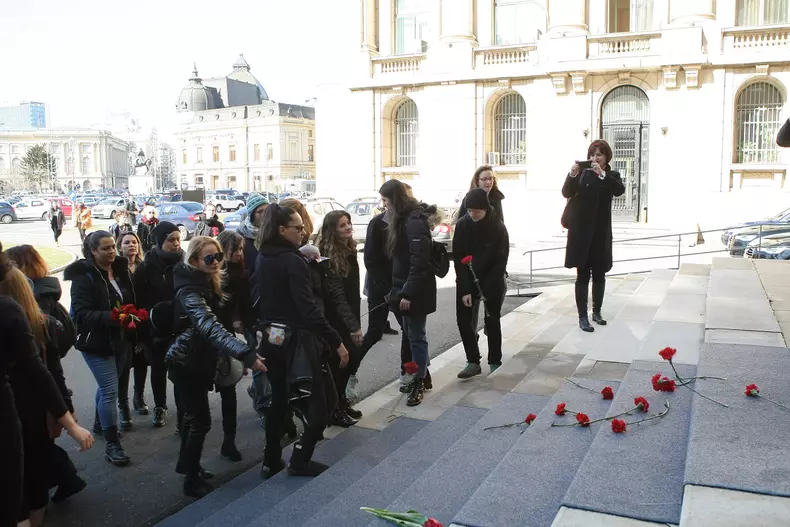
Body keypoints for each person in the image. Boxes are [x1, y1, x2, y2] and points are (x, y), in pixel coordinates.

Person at [166, 236, 266, 497]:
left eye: (219, 256)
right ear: (195, 260)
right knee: (199, 421)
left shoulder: (208, 281)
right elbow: (209, 326)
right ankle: (190, 479)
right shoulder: (190, 291)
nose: (216, 262)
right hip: (186, 362)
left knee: (193, 419)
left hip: (197, 359)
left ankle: (191, 468)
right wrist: (244, 353)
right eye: (209, 258)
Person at [255, 204, 349, 479]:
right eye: (297, 228)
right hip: (297, 339)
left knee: (280, 401)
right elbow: (308, 310)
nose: (303, 231)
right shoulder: (291, 260)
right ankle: (300, 458)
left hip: (272, 336)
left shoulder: (264, 256)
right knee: (323, 401)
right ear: (282, 230)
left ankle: (271, 460)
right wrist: (337, 341)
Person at [0, 264, 95, 526]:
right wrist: (70, 421)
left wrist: (69, 418)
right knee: (30, 475)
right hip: (26, 413)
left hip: (26, 414)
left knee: (29, 476)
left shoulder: (29, 321)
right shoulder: (21, 316)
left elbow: (46, 372)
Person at [64, 230, 136, 466]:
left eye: (112, 247)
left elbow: (130, 300)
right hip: (96, 342)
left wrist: (132, 317)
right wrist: (113, 317)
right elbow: (82, 314)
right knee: (109, 390)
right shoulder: (83, 276)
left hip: (121, 339)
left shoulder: (120, 269)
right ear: (93, 251)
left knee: (109, 385)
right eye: (105, 248)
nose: (111, 252)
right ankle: (112, 443)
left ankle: (99, 424)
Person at [379, 179, 439, 407]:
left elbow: (419, 262)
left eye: (385, 200)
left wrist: (406, 293)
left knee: (416, 336)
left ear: (395, 199)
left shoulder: (414, 221)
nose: (382, 205)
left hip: (415, 290)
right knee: (413, 335)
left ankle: (419, 381)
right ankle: (422, 374)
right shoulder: (404, 219)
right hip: (405, 288)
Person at [563, 139, 625, 333]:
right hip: (580, 232)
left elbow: (619, 191)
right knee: (582, 275)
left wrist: (602, 174)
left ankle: (596, 312)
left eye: (599, 154)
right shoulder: (581, 174)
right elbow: (566, 192)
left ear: (607, 157)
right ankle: (582, 317)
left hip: (600, 232)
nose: (594, 158)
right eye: (592, 154)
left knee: (599, 274)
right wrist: (572, 175)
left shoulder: (611, 175)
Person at [453, 188, 510, 379]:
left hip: (491, 280)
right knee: (464, 320)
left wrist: (487, 288)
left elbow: (500, 261)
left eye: (476, 211)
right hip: (468, 278)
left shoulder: (498, 227)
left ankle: (495, 361)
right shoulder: (462, 225)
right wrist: (465, 290)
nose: (472, 214)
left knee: (492, 320)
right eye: (469, 211)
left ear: (485, 209)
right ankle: (472, 361)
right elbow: (458, 258)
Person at [132, 222, 184, 428]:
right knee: (158, 369)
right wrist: (143, 336)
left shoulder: (186, 262)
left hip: (180, 327)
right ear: (160, 241)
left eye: (178, 239)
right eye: (171, 240)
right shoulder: (146, 267)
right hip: (156, 329)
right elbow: (138, 303)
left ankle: (183, 414)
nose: (176, 244)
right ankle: (160, 406)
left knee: (181, 371)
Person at [317, 210, 364, 427]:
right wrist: (353, 327)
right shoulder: (330, 255)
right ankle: (334, 410)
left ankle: (341, 403)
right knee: (340, 364)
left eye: (349, 223)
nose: (348, 228)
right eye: (342, 225)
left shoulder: (348, 248)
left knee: (347, 362)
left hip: (350, 314)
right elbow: (338, 297)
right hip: (338, 319)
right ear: (332, 230)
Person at [215, 230, 256, 461]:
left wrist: (252, 329)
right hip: (208, 336)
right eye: (235, 249)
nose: (240, 254)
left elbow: (246, 306)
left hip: (226, 337)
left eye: (242, 249)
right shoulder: (213, 274)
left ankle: (228, 441)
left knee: (228, 391)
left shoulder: (240, 275)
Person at [116, 232, 145, 431]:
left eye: (134, 242)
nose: (131, 245)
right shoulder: (116, 268)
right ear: (120, 246)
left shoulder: (143, 266)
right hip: (124, 322)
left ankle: (138, 397)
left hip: (142, 320)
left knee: (142, 362)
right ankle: (123, 405)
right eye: (127, 242)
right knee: (124, 368)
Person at [236, 193, 269, 279]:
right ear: (251, 214)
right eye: (260, 211)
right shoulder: (240, 235)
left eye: (267, 211)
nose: (265, 215)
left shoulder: (273, 233)